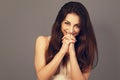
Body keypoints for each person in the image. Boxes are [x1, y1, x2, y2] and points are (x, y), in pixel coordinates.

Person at [34, 1, 98, 80]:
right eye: (67, 23)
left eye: (77, 26)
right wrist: (62, 51)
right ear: (60, 23)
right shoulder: (43, 41)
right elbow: (42, 77)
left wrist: (72, 53)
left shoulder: (86, 47)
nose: (71, 30)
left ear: (82, 28)